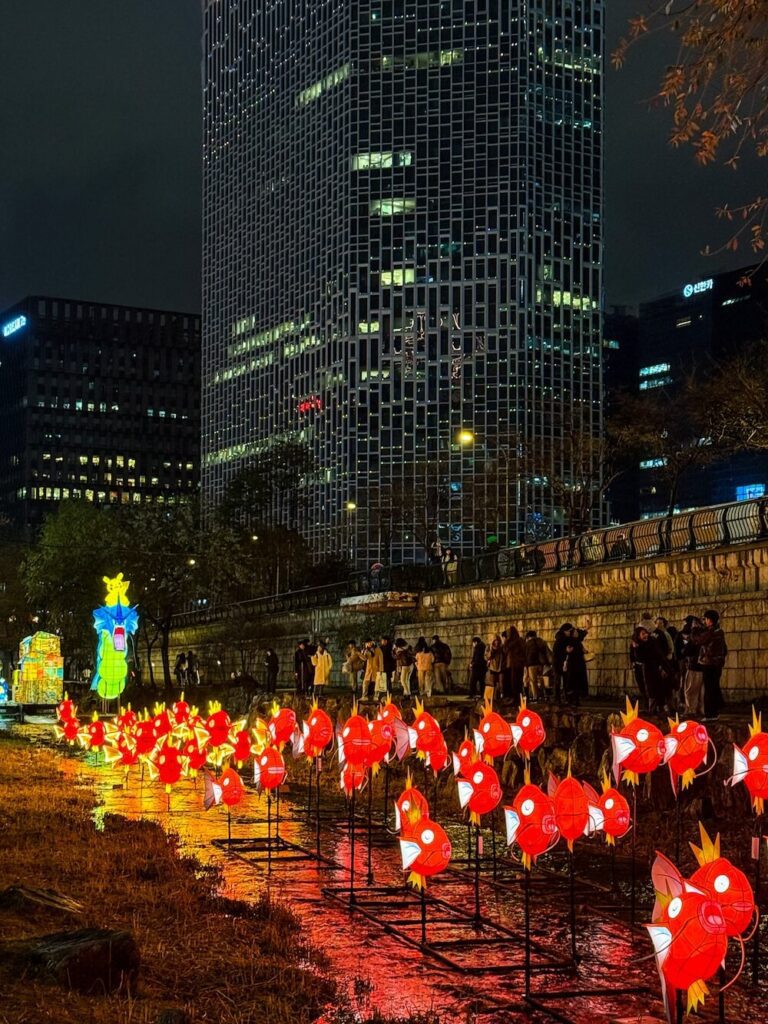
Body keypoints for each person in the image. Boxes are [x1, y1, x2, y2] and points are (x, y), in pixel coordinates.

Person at [693, 609, 728, 722]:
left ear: (711, 620)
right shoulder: (718, 631)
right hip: (716, 664)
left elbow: (698, 640)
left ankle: (710, 714)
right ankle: (716, 711)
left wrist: (694, 629)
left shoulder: (713, 632)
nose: (705, 621)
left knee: (709, 689)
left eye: (706, 619)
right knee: (713, 687)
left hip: (709, 664)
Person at [630, 626, 672, 715]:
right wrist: (636, 649)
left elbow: (659, 656)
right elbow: (638, 658)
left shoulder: (652, 642)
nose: (645, 635)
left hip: (655, 669)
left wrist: (664, 668)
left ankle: (660, 709)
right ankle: (653, 709)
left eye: (646, 633)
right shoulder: (637, 645)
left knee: (657, 689)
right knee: (649, 690)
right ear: (638, 636)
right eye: (643, 634)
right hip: (646, 670)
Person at [677, 616, 704, 717]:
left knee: (690, 689)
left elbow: (687, 650)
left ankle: (690, 710)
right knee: (701, 690)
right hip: (703, 666)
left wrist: (684, 649)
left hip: (693, 665)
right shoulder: (706, 634)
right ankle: (701, 709)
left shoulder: (694, 634)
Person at [562, 625, 590, 707]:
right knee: (573, 682)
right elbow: (567, 652)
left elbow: (581, 637)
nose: (577, 633)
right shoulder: (570, 641)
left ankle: (576, 700)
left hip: (579, 664)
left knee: (577, 683)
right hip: (573, 665)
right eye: (575, 632)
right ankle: (572, 700)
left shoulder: (577, 642)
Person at [524, 630, 551, 702]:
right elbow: (547, 652)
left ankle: (535, 696)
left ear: (528, 637)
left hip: (531, 665)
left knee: (533, 681)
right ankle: (542, 695)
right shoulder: (541, 642)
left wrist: (525, 665)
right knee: (540, 679)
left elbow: (525, 655)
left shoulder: (528, 644)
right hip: (541, 664)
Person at [501, 626, 526, 702]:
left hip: (516, 665)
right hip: (510, 665)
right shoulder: (511, 642)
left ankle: (516, 698)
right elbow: (505, 650)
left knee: (515, 682)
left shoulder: (519, 641)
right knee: (510, 682)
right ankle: (512, 697)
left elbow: (522, 652)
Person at [485, 634, 504, 701]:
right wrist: (492, 650)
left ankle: (498, 697)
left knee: (500, 683)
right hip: (492, 667)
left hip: (500, 667)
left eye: (498, 640)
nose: (497, 642)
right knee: (491, 684)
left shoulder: (501, 648)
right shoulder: (489, 647)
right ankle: (490, 698)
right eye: (495, 640)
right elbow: (487, 656)